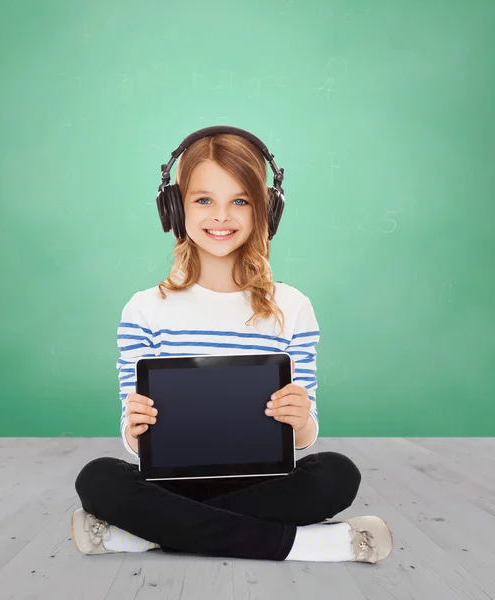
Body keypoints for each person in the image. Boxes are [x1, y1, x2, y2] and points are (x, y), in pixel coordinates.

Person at [72, 126, 393, 563]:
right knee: (98, 477)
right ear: (174, 208)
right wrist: (133, 428)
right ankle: (307, 545)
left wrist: (300, 420)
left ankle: (143, 536)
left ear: (265, 210)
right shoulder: (144, 309)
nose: (221, 216)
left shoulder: (292, 306)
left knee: (338, 473)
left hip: (262, 482)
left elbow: (306, 433)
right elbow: (133, 439)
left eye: (239, 201)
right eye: (203, 200)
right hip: (173, 482)